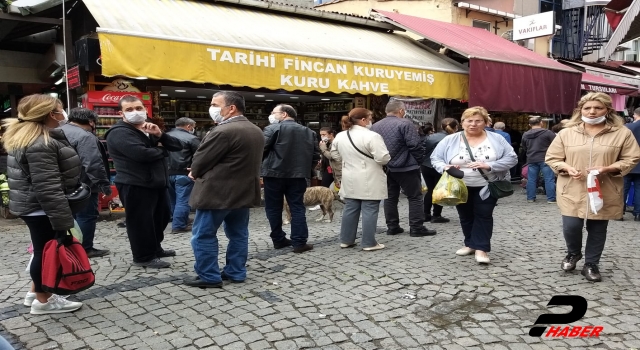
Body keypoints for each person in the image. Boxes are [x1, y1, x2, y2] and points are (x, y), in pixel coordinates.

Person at [546, 92, 640, 282]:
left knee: (598, 228)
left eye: (598, 108)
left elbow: (632, 158)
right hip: (572, 186)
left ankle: (591, 263)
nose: (592, 111)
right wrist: (566, 168)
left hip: (604, 188)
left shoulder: (622, 133)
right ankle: (573, 253)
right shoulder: (567, 132)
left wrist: (609, 168)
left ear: (608, 110)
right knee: (571, 226)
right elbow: (553, 157)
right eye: (587, 108)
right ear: (580, 110)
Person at [3, 94, 84, 314]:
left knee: (40, 250)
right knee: (44, 252)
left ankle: (35, 293)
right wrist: (62, 220)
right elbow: (47, 186)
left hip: (35, 205)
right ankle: (44, 301)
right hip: (42, 207)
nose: (63, 113)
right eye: (60, 109)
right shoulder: (41, 142)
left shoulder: (28, 137)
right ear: (51, 113)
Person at [183, 91, 264, 288]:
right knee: (238, 234)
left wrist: (195, 171)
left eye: (215, 104)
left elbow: (201, 160)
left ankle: (209, 276)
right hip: (243, 192)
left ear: (231, 108)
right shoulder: (255, 130)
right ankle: (236, 271)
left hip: (217, 192)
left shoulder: (223, 131)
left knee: (203, 234)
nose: (211, 108)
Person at [431, 107, 517, 264]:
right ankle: (470, 243)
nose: (473, 124)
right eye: (469, 120)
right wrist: (445, 167)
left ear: (485, 122)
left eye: (478, 121)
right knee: (465, 215)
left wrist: (489, 165)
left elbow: (512, 158)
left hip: (487, 184)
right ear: (462, 122)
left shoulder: (497, 139)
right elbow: (435, 158)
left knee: (483, 213)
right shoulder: (450, 140)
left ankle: (481, 248)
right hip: (458, 185)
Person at [104, 95, 183, 268]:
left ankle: (155, 248)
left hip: (157, 183)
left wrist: (160, 135)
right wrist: (162, 150)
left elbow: (177, 146)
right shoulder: (119, 133)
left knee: (160, 219)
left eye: (138, 108)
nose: (136, 112)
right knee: (141, 222)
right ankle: (143, 256)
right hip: (136, 184)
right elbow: (142, 155)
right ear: (121, 113)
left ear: (145, 109)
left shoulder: (148, 129)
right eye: (129, 109)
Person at [370, 100, 436, 237]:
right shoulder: (406, 123)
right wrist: (418, 161)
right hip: (406, 166)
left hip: (386, 167)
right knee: (415, 197)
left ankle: (392, 226)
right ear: (401, 111)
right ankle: (416, 227)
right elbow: (414, 145)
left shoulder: (375, 126)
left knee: (390, 197)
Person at [262, 104, 320, 253]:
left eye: (274, 112)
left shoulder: (272, 129)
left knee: (273, 208)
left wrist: (260, 170)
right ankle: (299, 242)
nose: (272, 115)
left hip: (273, 174)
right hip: (298, 175)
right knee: (297, 207)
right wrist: (307, 169)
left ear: (284, 114)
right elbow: (315, 155)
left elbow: (261, 150)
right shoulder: (309, 132)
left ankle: (278, 239)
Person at [330, 109, 390, 250]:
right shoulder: (372, 136)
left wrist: (348, 161)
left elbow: (334, 154)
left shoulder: (340, 135)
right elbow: (383, 158)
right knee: (369, 208)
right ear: (363, 120)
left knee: (350, 208)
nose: (371, 120)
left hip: (349, 175)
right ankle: (369, 242)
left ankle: (346, 240)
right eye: (370, 118)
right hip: (370, 175)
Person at [61, 108, 112, 258]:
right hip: (83, 184)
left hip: (63, 183)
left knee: (72, 217)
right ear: (91, 122)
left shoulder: (59, 130)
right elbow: (93, 164)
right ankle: (85, 248)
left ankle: (71, 245)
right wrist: (104, 185)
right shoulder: (85, 136)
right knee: (86, 216)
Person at [166, 117, 200, 233]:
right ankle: (179, 225)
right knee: (183, 200)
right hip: (184, 172)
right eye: (193, 127)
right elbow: (200, 156)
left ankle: (178, 219)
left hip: (167, 173)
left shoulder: (165, 136)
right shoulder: (192, 138)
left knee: (173, 200)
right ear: (189, 126)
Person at [421, 118, 459, 224]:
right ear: (456, 127)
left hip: (426, 165)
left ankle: (426, 214)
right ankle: (436, 215)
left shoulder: (431, 136)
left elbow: (423, 150)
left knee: (430, 190)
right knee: (439, 190)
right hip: (441, 166)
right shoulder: (454, 138)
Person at [521, 116, 557, 204]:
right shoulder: (548, 133)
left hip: (532, 158)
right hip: (546, 158)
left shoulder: (525, 134)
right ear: (541, 123)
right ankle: (551, 198)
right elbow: (556, 144)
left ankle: (530, 198)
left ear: (529, 124)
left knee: (531, 179)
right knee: (549, 179)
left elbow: (524, 146)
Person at [623, 107, 640, 221]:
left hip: (628, 162)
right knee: (639, 189)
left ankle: (619, 212)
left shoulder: (627, 128)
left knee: (622, 189)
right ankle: (638, 213)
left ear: (635, 115)